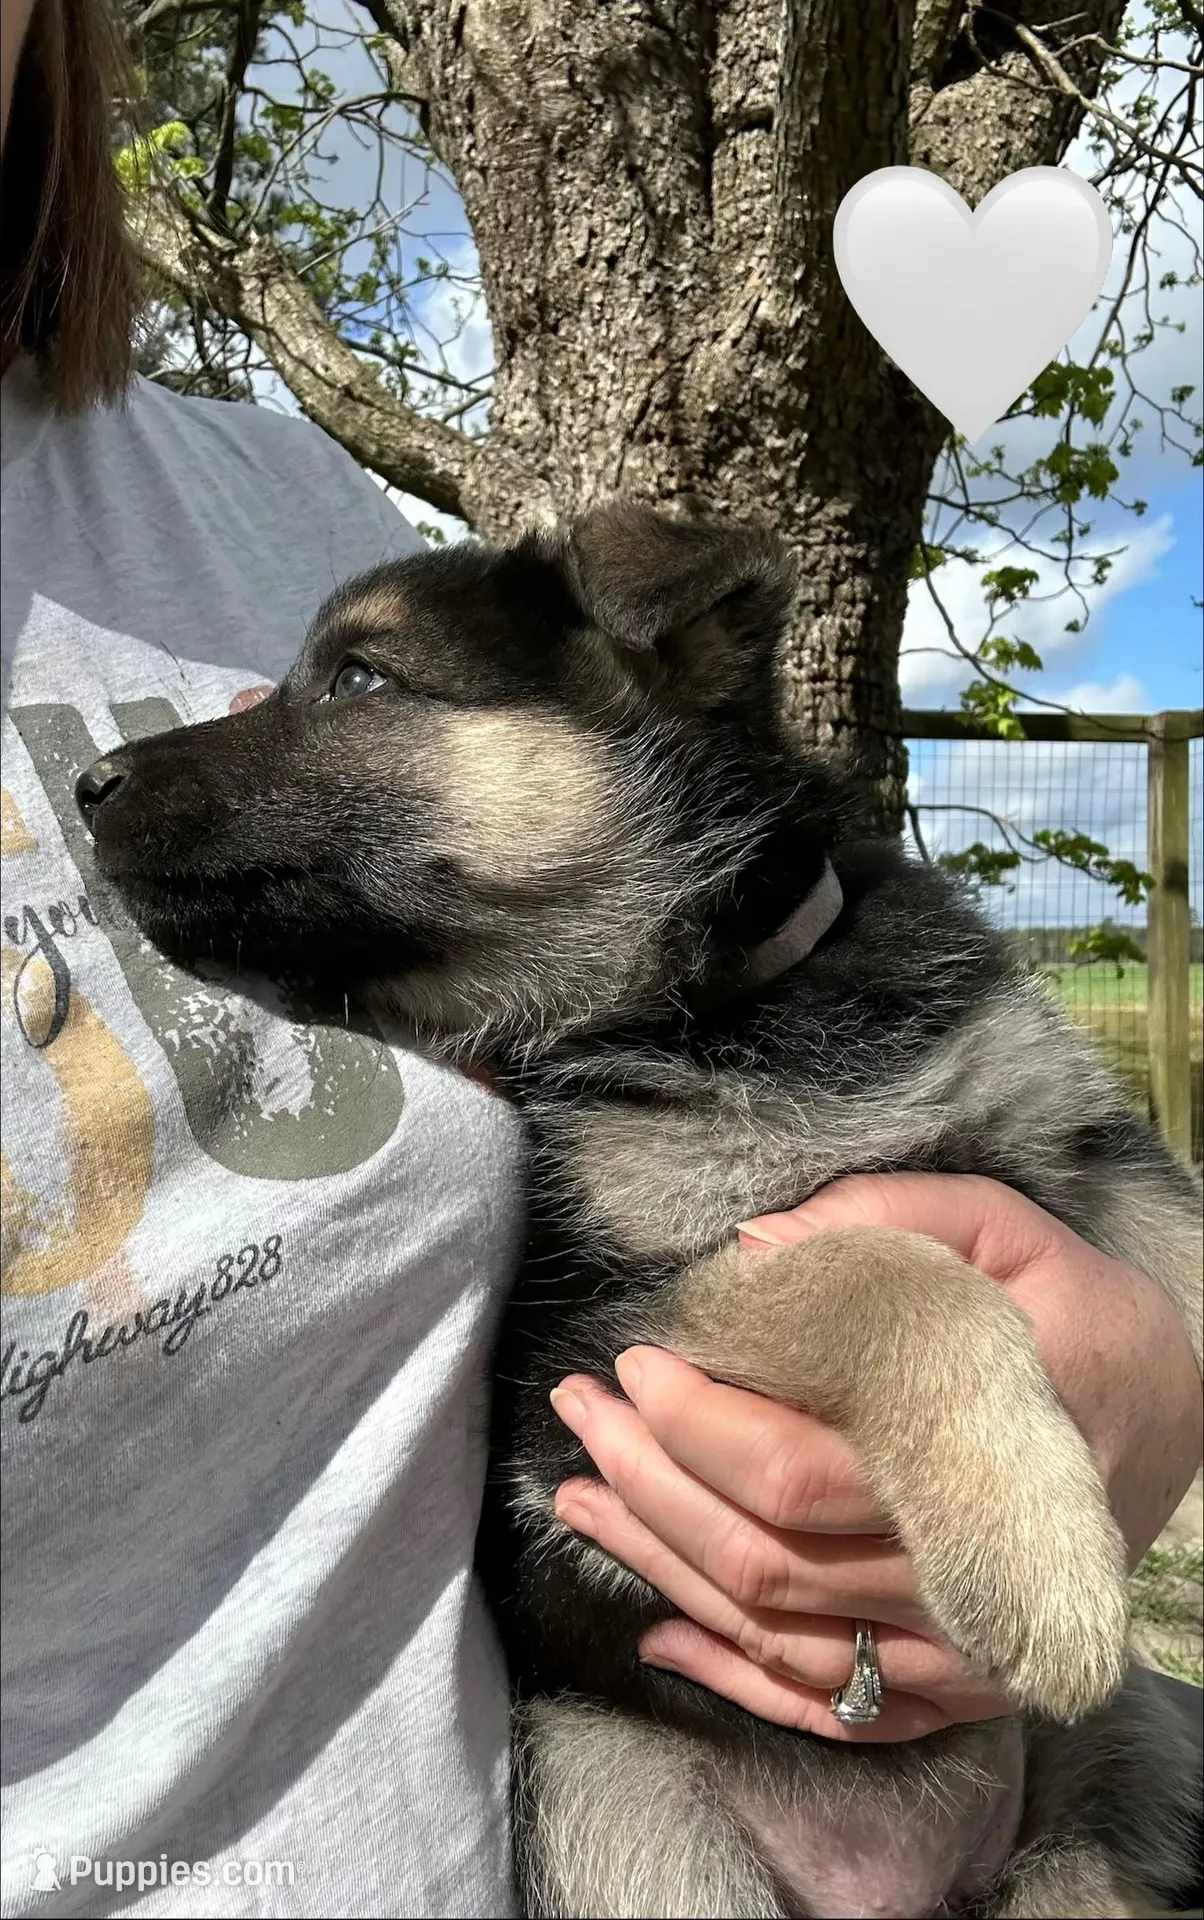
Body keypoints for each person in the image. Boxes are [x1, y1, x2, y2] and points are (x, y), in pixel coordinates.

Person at [0, 1, 1199, 1915]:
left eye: (355, 687)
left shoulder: (270, 497)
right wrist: (922, 1345)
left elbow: (1124, 1234)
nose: (226, 743)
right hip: (640, 1800)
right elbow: (667, 1323)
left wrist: (1154, 1373)